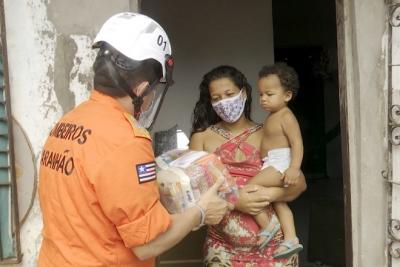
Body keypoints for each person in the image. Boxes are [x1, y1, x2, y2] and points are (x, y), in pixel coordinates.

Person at [37, 12, 229, 267]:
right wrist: (200, 212)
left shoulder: (67, 122)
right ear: (141, 88)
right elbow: (148, 243)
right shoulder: (126, 139)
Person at [190, 65, 307, 266]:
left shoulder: (268, 132)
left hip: (275, 249)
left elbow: (298, 183)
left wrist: (268, 195)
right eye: (216, 98)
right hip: (223, 250)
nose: (224, 102)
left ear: (243, 93)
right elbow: (192, 192)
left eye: (229, 94)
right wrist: (235, 201)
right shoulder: (201, 138)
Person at [246, 62, 304, 258]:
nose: (263, 99)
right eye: (261, 94)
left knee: (250, 188)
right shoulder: (272, 116)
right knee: (280, 203)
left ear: (287, 95)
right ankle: (291, 239)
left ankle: (268, 225)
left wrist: (294, 168)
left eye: (269, 94)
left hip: (281, 163)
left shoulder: (286, 116)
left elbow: (297, 143)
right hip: (272, 162)